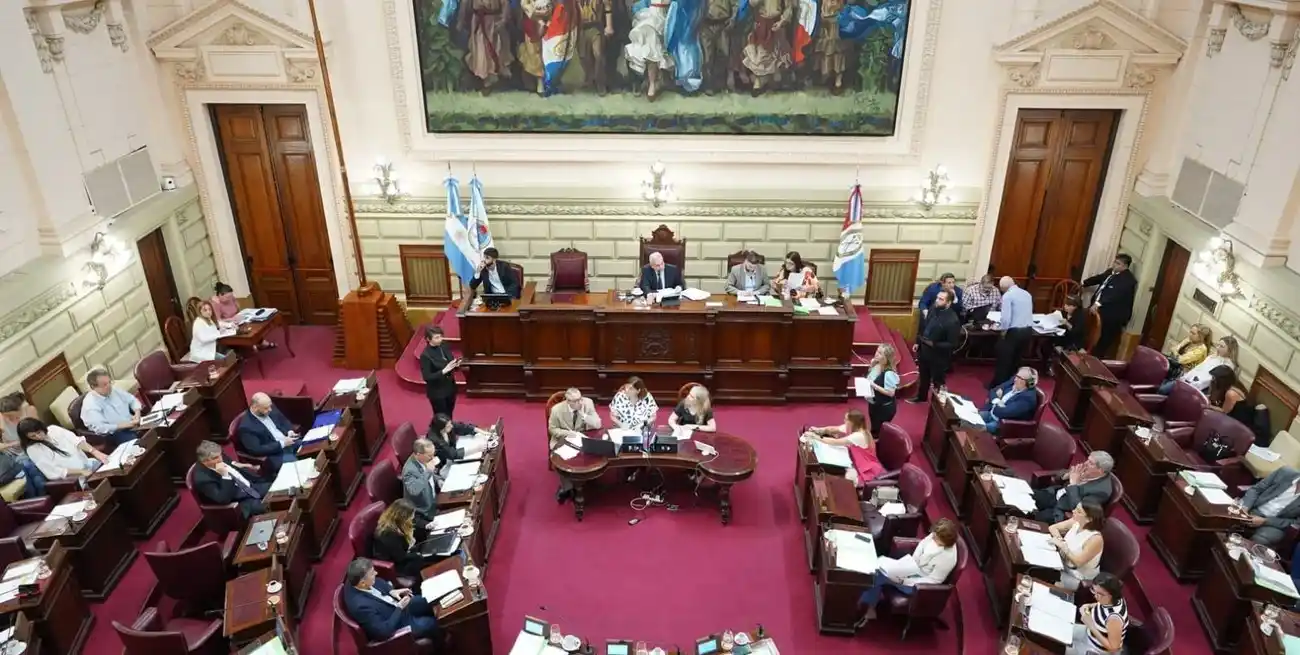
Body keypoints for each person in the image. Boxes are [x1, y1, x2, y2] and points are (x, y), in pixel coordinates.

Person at [856, 519, 959, 624]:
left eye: (936, 537)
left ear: (945, 541)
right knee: (878, 568)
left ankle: (865, 607)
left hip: (918, 584)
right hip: (911, 568)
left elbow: (934, 580)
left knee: (879, 574)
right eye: (934, 534)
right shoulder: (936, 534)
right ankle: (866, 605)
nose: (933, 537)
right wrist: (912, 563)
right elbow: (922, 545)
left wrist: (906, 581)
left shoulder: (948, 558)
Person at [342, 558, 441, 642]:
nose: (376, 573)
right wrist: (399, 608)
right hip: (398, 623)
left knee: (430, 600)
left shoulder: (356, 578)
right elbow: (383, 632)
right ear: (363, 583)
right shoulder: (361, 607)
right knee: (431, 623)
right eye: (372, 574)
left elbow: (379, 582)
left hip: (399, 605)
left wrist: (392, 591)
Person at [801, 409, 884, 486]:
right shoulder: (853, 427)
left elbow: (835, 442)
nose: (844, 421)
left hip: (864, 467)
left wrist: (815, 436)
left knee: (842, 477)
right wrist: (819, 430)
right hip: (853, 459)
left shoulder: (859, 435)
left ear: (853, 422)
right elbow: (833, 429)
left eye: (846, 419)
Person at [548, 388, 602, 503]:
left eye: (580, 399)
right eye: (576, 401)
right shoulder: (556, 410)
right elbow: (553, 429)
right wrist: (569, 434)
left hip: (582, 438)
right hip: (563, 439)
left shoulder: (588, 403)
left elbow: (598, 424)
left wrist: (584, 416)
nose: (580, 402)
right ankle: (567, 488)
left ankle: (586, 480)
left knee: (595, 451)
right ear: (568, 401)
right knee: (562, 459)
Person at [192, 440, 269, 518]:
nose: (220, 459)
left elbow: (231, 462)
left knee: (275, 490)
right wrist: (225, 476)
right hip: (241, 502)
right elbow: (223, 499)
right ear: (205, 461)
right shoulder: (203, 480)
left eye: (220, 455)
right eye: (215, 458)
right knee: (271, 506)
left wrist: (243, 465)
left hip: (251, 486)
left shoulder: (217, 456)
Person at [16, 418, 109, 482]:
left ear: (41, 427)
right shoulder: (33, 449)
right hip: (73, 477)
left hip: (88, 464)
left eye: (38, 432)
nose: (38, 437)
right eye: (33, 436)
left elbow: (76, 441)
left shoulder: (53, 429)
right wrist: (81, 472)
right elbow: (53, 470)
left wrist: (95, 452)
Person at [1033, 451, 1114, 524]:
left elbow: (1079, 509)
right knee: (1028, 496)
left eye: (1091, 463)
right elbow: (1058, 475)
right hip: (1054, 494)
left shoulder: (1101, 491)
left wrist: (1073, 484)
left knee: (1036, 519)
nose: (1085, 463)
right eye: (1088, 460)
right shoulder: (1086, 470)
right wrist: (1067, 475)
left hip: (1062, 509)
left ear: (1100, 470)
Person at [908, 289, 960, 404]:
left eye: (941, 299)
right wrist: (918, 342)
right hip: (924, 350)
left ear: (948, 303)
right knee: (923, 376)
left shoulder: (952, 320)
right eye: (937, 297)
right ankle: (921, 397)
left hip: (938, 357)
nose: (937, 300)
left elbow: (953, 344)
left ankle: (937, 404)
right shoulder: (933, 308)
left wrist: (934, 344)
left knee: (938, 381)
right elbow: (924, 326)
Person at [1082, 254, 1137, 359]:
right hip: (1099, 309)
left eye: (1118, 264)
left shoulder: (1127, 280)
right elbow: (1099, 278)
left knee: (1103, 338)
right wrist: (1084, 283)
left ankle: (1096, 358)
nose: (1114, 265)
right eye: (1115, 262)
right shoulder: (1110, 272)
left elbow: (1115, 294)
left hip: (1112, 314)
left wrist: (1098, 304)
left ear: (1125, 266)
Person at [371, 499, 439, 579]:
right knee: (430, 559)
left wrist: (426, 525)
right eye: (411, 515)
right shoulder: (387, 535)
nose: (412, 517)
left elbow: (415, 521)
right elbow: (400, 557)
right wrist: (418, 554)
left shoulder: (399, 521)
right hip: (399, 564)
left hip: (408, 551)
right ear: (402, 517)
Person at [1205, 365, 1273, 445]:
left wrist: (1207, 405)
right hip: (1237, 422)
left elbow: (1223, 412)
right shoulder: (1231, 386)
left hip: (1246, 428)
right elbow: (1214, 398)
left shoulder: (1231, 393)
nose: (1212, 380)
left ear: (1222, 380)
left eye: (1214, 378)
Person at [236, 393, 299, 477]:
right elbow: (257, 450)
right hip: (276, 454)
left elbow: (283, 420)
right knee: (297, 469)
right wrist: (282, 443)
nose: (270, 409)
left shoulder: (269, 407)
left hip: (289, 441)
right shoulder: (246, 428)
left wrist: (289, 431)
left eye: (270, 406)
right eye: (266, 408)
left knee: (310, 447)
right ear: (255, 407)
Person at [1237, 467, 1300, 547]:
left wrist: (1266, 521)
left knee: (1260, 540)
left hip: (1274, 524)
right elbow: (1256, 489)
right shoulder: (1284, 472)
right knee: (1229, 518)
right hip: (1253, 509)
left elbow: (1296, 523)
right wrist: (1245, 507)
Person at [1049, 502, 1105, 591]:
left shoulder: (1095, 539)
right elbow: (1053, 527)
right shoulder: (1076, 521)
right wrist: (1060, 540)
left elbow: (1078, 562)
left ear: (1088, 519)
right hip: (1062, 563)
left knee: (1040, 574)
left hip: (1076, 576)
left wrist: (1064, 547)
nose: (1073, 511)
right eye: (1076, 508)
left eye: (1079, 511)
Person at [79, 368, 141, 448]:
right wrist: (127, 425)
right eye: (104, 385)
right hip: (115, 433)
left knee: (154, 428)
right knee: (138, 446)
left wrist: (137, 414)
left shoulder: (113, 390)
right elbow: (101, 428)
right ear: (93, 387)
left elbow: (132, 400)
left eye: (109, 382)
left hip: (132, 421)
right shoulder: (90, 405)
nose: (109, 386)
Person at [1068, 573, 1128, 655]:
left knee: (1060, 648)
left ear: (1111, 595)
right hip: (1088, 633)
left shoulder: (1114, 619)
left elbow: (1114, 648)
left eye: (1100, 594)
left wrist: (1090, 625)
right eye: (1094, 590)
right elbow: (1102, 605)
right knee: (1060, 632)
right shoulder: (1111, 599)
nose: (1095, 596)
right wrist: (1090, 605)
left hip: (1096, 650)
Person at [991, 276, 1034, 388]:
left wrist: (1003, 331)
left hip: (1014, 332)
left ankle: (999, 385)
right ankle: (1013, 383)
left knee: (1004, 359)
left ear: (1002, 288)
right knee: (1017, 359)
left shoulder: (1007, 296)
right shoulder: (1027, 294)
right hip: (1028, 331)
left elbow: (1006, 319)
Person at [1161, 335, 1237, 394]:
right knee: (1162, 387)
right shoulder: (1212, 357)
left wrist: (1192, 384)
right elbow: (1198, 369)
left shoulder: (1227, 365)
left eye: (1222, 346)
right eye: (1218, 345)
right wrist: (1184, 378)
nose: (1218, 348)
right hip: (1188, 380)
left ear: (1230, 350)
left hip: (1197, 387)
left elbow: (1210, 380)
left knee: (1163, 390)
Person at [1, 394, 44, 497]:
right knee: (28, 467)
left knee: (29, 468)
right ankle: (40, 499)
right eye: (9, 417)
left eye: (17, 416)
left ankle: (38, 499)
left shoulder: (28, 410)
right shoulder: (1, 420)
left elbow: (40, 432)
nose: (14, 419)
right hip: (14, 456)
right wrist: (14, 443)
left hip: (32, 447)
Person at [211, 281, 274, 349]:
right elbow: (218, 321)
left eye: (231, 297)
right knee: (247, 331)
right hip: (227, 325)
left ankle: (260, 342)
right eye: (227, 297)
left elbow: (237, 309)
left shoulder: (231, 298)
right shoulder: (216, 304)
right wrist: (230, 319)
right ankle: (254, 345)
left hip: (238, 320)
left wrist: (239, 314)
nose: (229, 299)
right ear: (220, 295)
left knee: (254, 326)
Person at [979, 367, 1039, 435]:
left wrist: (995, 401)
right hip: (991, 413)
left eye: (1020, 378)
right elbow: (993, 391)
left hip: (1003, 424)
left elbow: (1002, 413)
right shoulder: (1013, 381)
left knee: (976, 428)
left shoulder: (1027, 398)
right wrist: (997, 401)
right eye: (1016, 376)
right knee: (970, 420)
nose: (1015, 379)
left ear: (1028, 383)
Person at [419, 326, 460, 418]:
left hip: (450, 387)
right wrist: (444, 371)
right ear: (428, 339)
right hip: (437, 392)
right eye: (437, 337)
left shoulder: (443, 346)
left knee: (450, 413)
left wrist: (455, 364)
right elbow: (427, 377)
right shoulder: (425, 355)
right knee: (441, 417)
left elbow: (450, 360)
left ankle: (449, 427)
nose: (440, 339)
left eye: (441, 336)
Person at [426, 414, 490, 470]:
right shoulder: (434, 439)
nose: (452, 426)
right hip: (443, 463)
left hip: (451, 455)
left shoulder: (447, 425)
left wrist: (477, 430)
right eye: (448, 426)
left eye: (450, 423)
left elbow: (460, 427)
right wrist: (477, 448)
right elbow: (452, 454)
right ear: (441, 428)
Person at [862, 344, 900, 435]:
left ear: (886, 357)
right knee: (874, 428)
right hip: (874, 404)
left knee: (879, 431)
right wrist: (871, 366)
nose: (876, 354)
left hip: (883, 408)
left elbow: (891, 393)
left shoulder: (889, 373)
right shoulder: (876, 364)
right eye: (877, 351)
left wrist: (874, 385)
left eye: (880, 353)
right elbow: (871, 378)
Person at [402, 439, 441, 526]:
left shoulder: (423, 459)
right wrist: (428, 472)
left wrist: (438, 480)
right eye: (429, 455)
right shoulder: (409, 471)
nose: (433, 458)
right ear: (418, 454)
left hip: (435, 501)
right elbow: (414, 490)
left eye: (433, 454)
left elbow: (428, 474)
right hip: (424, 512)